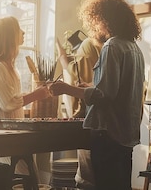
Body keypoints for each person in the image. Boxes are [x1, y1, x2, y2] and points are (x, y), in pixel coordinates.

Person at [49, 0, 145, 189]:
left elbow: (104, 96)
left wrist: (67, 89)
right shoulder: (134, 49)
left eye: (96, 21)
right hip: (126, 134)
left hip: (109, 133)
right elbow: (118, 91)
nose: (95, 27)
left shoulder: (112, 46)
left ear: (105, 20)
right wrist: (90, 87)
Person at [0, 16, 52, 177]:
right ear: (9, 35)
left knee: (28, 178)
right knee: (20, 179)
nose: (24, 32)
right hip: (5, 140)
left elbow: (13, 99)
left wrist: (36, 93)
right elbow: (8, 104)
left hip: (15, 137)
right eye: (18, 28)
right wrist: (37, 94)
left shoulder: (10, 67)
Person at [56, 36, 101, 189]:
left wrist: (61, 54)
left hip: (91, 124)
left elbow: (73, 72)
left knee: (88, 178)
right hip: (110, 131)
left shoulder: (88, 49)